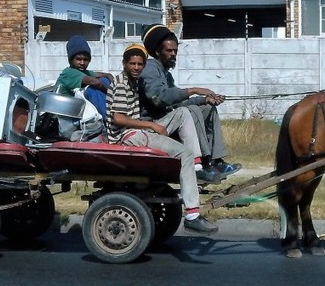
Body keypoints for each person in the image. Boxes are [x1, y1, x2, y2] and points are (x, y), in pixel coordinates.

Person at [105, 43, 218, 233]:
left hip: (139, 131)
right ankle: (192, 215)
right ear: (124, 64)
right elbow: (118, 118)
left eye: (140, 64)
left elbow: (167, 98)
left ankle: (197, 166)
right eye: (132, 64)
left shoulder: (135, 83)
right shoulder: (121, 83)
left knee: (182, 112)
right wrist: (151, 125)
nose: (136, 67)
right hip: (127, 136)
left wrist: (198, 98)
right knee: (184, 154)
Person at [139, 24, 241, 175]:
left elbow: (178, 101)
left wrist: (204, 100)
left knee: (207, 109)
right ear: (157, 51)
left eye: (175, 51)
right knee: (190, 111)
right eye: (169, 51)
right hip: (152, 124)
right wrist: (193, 90)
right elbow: (160, 99)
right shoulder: (149, 68)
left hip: (169, 120)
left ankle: (217, 160)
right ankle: (204, 163)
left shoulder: (166, 74)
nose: (173, 54)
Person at [55, 35, 114, 121]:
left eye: (85, 60)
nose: (82, 63)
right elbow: (96, 83)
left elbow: (106, 75)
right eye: (78, 59)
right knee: (93, 90)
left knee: (104, 80)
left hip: (78, 110)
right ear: (71, 60)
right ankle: (108, 119)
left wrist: (115, 85)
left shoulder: (84, 72)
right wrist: (114, 94)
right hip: (65, 114)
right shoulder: (68, 73)